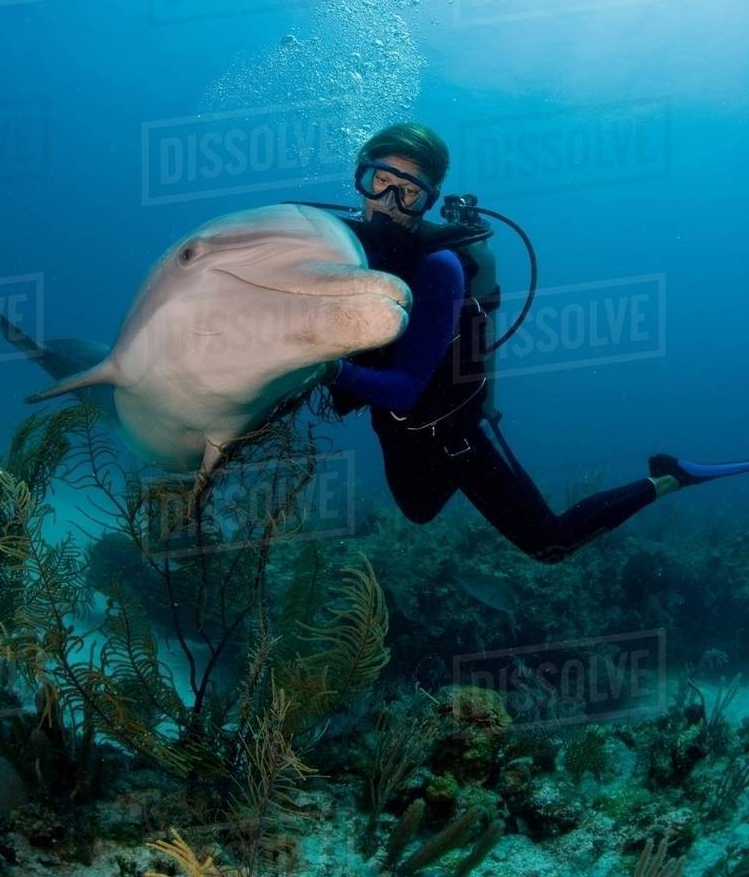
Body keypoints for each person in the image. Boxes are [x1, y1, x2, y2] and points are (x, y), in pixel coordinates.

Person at [318, 122, 749, 565]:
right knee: (419, 512)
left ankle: (670, 477)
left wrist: (324, 367)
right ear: (360, 179)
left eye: (408, 192)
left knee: (551, 544)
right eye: (379, 182)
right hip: (394, 426)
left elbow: (405, 387)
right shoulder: (337, 244)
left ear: (428, 197)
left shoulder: (440, 265)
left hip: (456, 431)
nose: (387, 203)